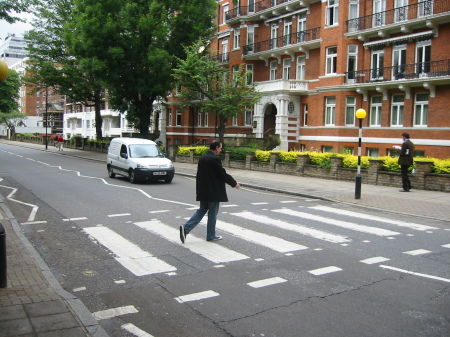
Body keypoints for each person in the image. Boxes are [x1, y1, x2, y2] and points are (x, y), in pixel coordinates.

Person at [180, 140, 240, 243]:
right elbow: (222, 174)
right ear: (216, 147)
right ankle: (211, 235)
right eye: (220, 148)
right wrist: (234, 183)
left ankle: (185, 228)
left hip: (203, 190)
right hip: (213, 192)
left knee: (201, 210)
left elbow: (199, 175)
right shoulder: (215, 159)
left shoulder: (202, 158)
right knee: (213, 213)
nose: (221, 150)